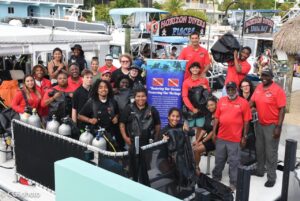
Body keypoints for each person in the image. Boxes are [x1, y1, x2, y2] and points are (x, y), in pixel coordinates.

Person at [212, 82, 251, 191]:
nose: (230, 92)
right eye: (228, 89)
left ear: (236, 90)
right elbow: (216, 118)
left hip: (235, 139)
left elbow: (246, 121)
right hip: (221, 137)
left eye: (232, 89)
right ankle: (216, 177)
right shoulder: (221, 101)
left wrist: (244, 137)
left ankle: (233, 182)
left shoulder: (243, 103)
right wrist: (214, 132)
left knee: (234, 162)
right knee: (219, 160)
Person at [250, 68, 286, 188]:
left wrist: (278, 127)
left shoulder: (277, 90)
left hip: (272, 125)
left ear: (271, 77)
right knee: (259, 149)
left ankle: (271, 177)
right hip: (260, 123)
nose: (263, 77)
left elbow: (282, 109)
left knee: (271, 152)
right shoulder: (259, 87)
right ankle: (260, 171)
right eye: (262, 75)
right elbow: (252, 102)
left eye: (266, 75)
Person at [182, 62, 210, 139]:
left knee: (200, 127)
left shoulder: (204, 80)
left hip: (201, 109)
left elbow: (208, 93)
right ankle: (187, 145)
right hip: (190, 109)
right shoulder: (186, 82)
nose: (195, 69)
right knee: (188, 128)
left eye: (197, 67)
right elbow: (184, 97)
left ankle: (196, 143)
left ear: (200, 69)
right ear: (190, 69)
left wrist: (206, 88)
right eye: (193, 67)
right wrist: (192, 109)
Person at [192, 96, 218, 174]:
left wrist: (202, 142)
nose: (210, 107)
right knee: (193, 147)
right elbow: (204, 130)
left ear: (216, 104)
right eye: (208, 105)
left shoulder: (218, 116)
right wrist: (197, 140)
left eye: (212, 105)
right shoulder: (208, 115)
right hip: (206, 138)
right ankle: (196, 166)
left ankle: (196, 168)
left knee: (196, 150)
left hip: (214, 140)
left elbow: (212, 132)